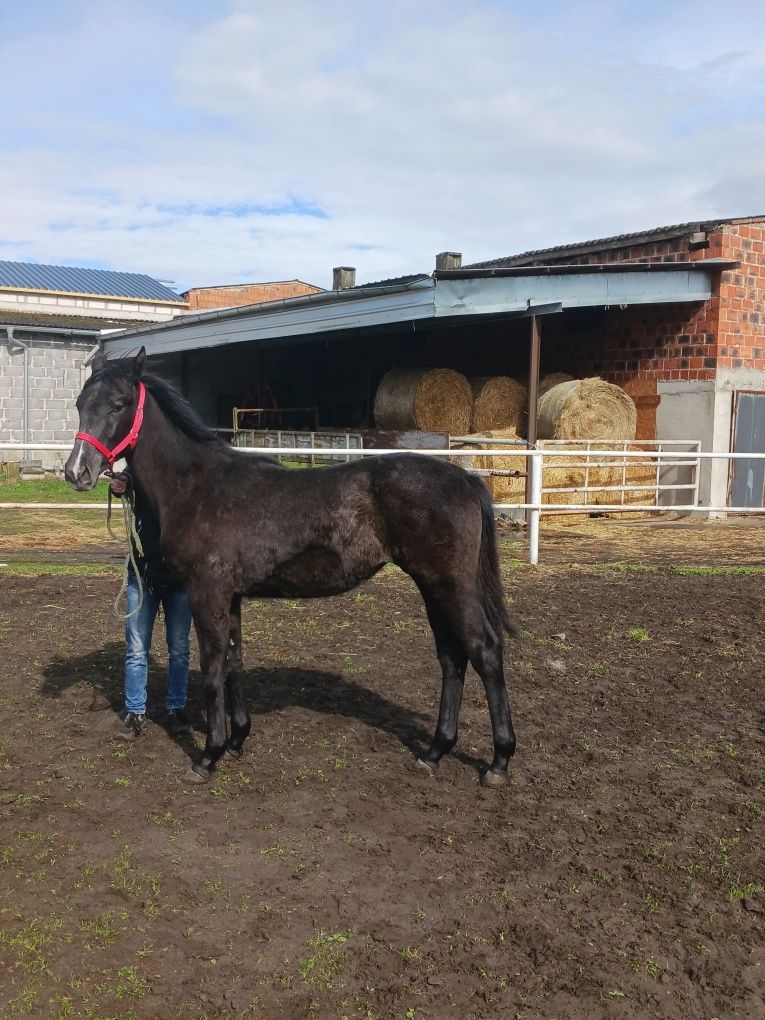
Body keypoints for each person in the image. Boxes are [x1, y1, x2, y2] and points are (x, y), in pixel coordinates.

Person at [109, 470, 193, 741]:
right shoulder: (144, 471)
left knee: (179, 649)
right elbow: (125, 482)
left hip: (179, 578)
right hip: (142, 575)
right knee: (136, 649)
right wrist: (120, 485)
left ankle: (176, 707)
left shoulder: (185, 475)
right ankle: (134, 710)